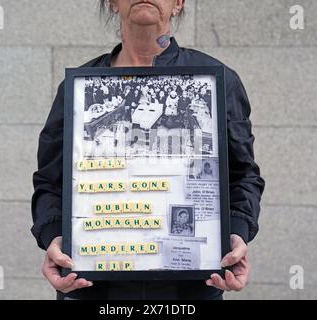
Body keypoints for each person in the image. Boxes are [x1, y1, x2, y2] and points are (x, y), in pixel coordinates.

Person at [31, 0, 265, 300]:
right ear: (113, 3)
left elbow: (243, 174)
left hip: (188, 290)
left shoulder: (217, 83)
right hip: (93, 288)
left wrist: (235, 233)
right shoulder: (78, 91)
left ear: (178, 3)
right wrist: (55, 238)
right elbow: (50, 181)